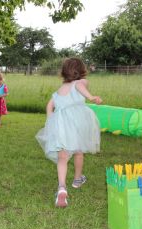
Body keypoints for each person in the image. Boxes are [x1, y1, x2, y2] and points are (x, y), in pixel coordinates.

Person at [35, 57, 102, 208]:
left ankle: (61, 188)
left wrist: (50, 120)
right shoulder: (81, 82)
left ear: (64, 72)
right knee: (79, 150)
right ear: (81, 70)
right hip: (76, 122)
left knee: (62, 156)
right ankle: (77, 179)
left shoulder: (59, 90)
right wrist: (91, 97)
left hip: (60, 125)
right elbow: (81, 88)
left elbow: (49, 106)